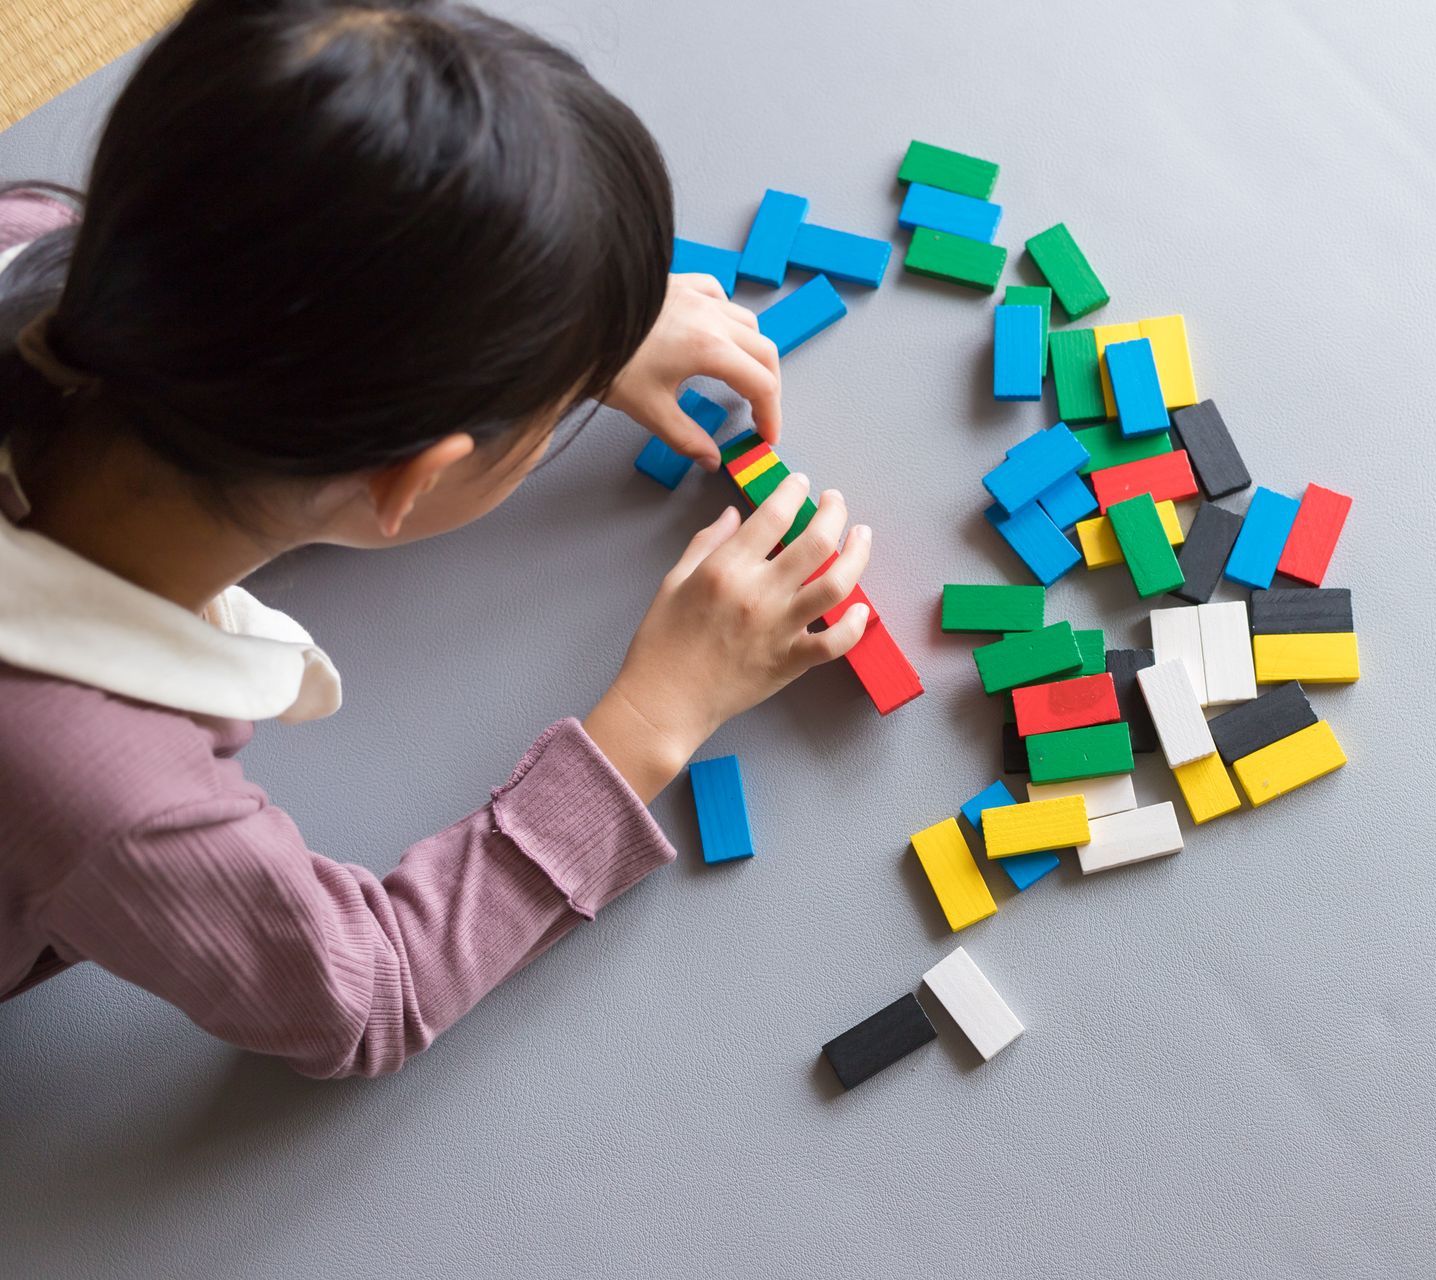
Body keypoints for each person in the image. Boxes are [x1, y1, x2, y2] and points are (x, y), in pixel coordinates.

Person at [0, 0, 871, 1077]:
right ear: (410, 478)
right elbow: (366, 993)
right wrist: (658, 710)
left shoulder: (34, 235)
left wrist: (559, 328)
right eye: (555, 413)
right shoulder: (112, 794)